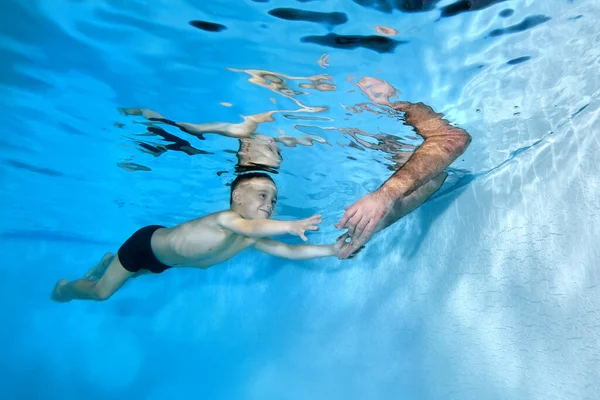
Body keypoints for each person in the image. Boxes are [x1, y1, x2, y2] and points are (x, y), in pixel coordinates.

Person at [51, 173, 347, 302]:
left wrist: (333, 249)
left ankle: (110, 260)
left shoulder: (252, 238)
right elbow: (251, 228)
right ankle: (65, 289)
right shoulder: (226, 220)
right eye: (262, 195)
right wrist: (290, 224)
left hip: (164, 262)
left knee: (136, 274)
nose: (269, 204)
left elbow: (290, 252)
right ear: (237, 197)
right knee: (102, 293)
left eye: (273, 200)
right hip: (144, 246)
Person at [336, 77, 472, 258]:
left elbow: (455, 139)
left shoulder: (405, 108)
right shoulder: (342, 120)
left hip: (431, 174)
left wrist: (384, 196)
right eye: (360, 89)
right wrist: (368, 226)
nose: (366, 92)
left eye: (374, 88)